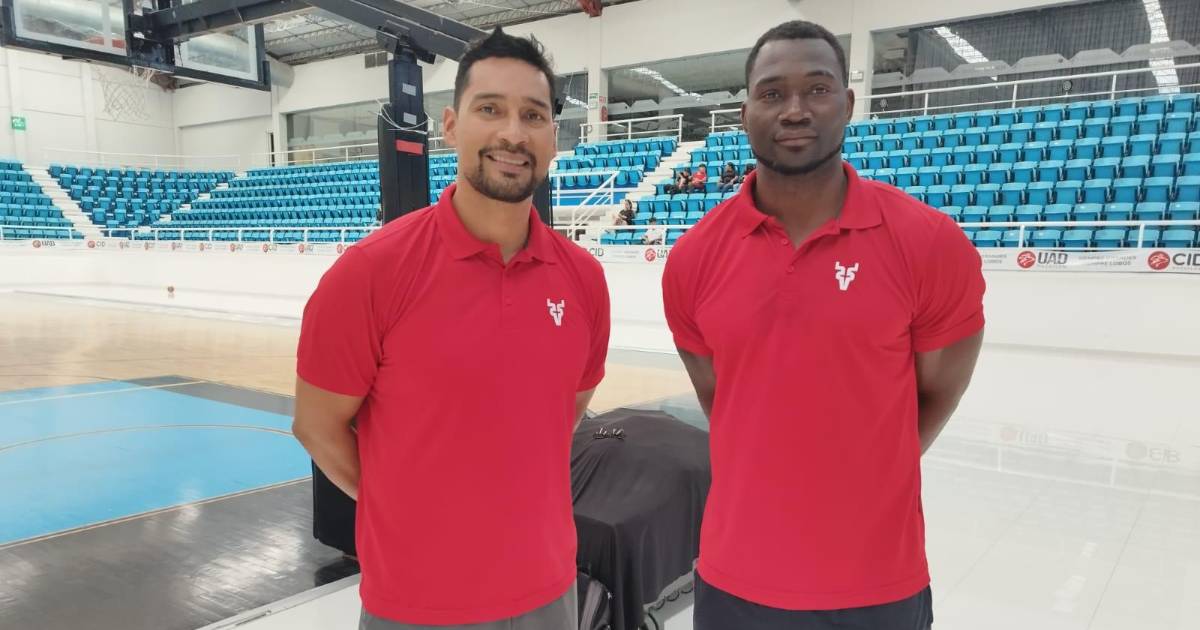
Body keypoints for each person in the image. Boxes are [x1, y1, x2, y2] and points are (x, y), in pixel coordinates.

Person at [662, 20, 985, 630]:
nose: (794, 110)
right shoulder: (693, 260)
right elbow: (721, 398)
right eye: (772, 93)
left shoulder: (929, 243)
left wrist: (862, 469)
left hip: (877, 585)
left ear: (848, 102)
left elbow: (940, 391)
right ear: (745, 113)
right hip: (735, 581)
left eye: (817, 89)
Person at [293, 27, 609, 630]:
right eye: (490, 109)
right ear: (450, 125)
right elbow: (317, 425)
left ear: (553, 137)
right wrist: (409, 511)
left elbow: (563, 415)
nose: (513, 133)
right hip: (416, 603)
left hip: (549, 594)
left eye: (533, 115)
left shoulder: (585, 280)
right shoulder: (370, 272)